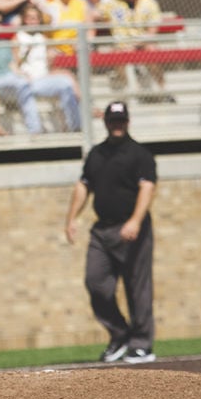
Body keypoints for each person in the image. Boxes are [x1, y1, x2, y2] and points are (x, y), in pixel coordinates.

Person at [65, 100, 157, 364]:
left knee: (137, 288)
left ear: (127, 122)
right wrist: (71, 218)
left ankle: (141, 344)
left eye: (121, 121)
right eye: (113, 121)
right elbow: (84, 185)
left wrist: (136, 221)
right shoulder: (96, 154)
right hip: (102, 230)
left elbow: (147, 187)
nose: (117, 126)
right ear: (105, 122)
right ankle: (119, 335)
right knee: (96, 282)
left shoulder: (139, 154)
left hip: (131, 229)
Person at [99, 0, 169, 97]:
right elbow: (95, 13)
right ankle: (130, 90)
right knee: (117, 53)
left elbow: (152, 32)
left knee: (152, 49)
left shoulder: (149, 2)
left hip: (143, 44)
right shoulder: (113, 3)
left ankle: (162, 88)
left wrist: (135, 44)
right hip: (122, 46)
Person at [13, 2, 81, 133]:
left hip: (44, 78)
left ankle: (75, 125)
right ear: (24, 19)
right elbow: (15, 65)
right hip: (28, 81)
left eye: (36, 18)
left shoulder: (43, 38)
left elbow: (48, 64)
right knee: (66, 80)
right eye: (29, 18)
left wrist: (52, 57)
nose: (33, 21)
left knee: (67, 83)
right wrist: (26, 54)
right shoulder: (17, 38)